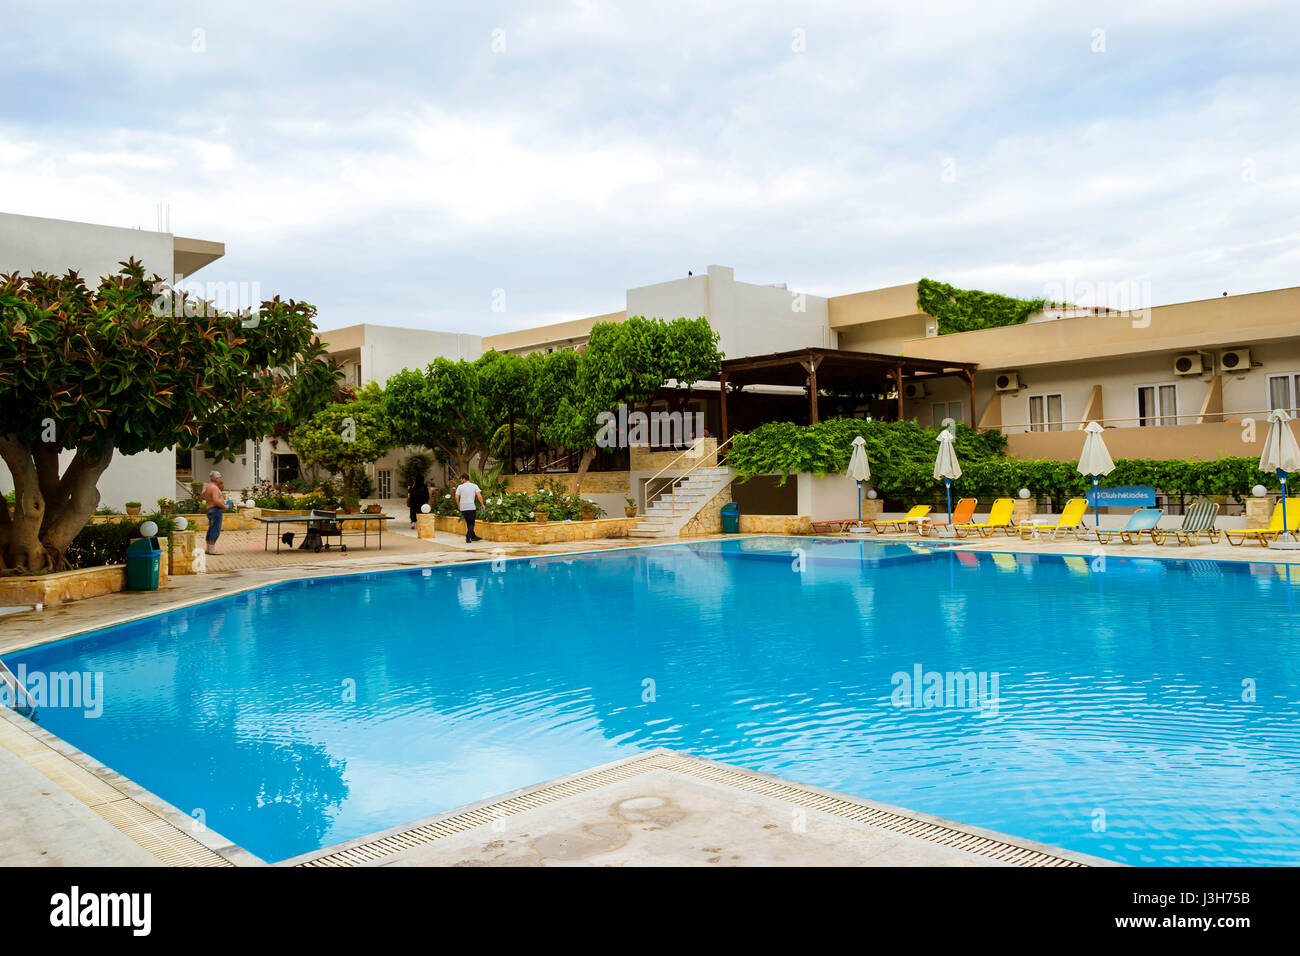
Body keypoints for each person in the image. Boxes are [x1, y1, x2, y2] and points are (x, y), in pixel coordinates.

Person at [202, 470, 232, 555]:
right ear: (215, 478)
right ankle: (212, 549)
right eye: (219, 477)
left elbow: (203, 493)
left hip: (210, 510)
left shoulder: (208, 486)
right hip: (216, 510)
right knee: (215, 530)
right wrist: (225, 506)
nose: (221, 478)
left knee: (211, 529)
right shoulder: (214, 488)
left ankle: (208, 548)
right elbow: (215, 500)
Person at [455, 473, 485, 543]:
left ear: (464, 478)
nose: (461, 480)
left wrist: (458, 505)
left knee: (469, 523)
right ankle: (468, 538)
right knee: (471, 523)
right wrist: (482, 504)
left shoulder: (460, 487)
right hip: (471, 507)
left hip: (463, 507)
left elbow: (456, 497)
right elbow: (479, 496)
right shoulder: (474, 486)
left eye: (461, 479)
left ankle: (473, 537)